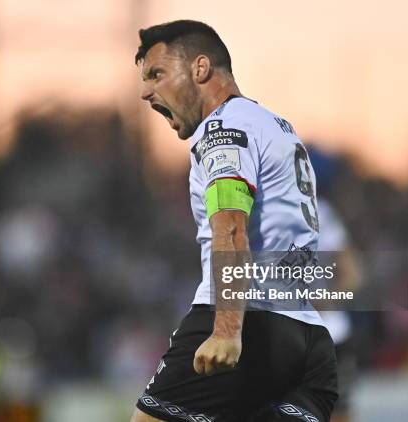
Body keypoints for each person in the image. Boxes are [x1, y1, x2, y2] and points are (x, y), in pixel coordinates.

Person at [131, 20, 337, 422]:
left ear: (200, 68)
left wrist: (226, 329)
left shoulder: (223, 130)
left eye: (156, 74)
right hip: (309, 342)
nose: (145, 92)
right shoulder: (277, 128)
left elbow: (231, 226)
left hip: (248, 321)